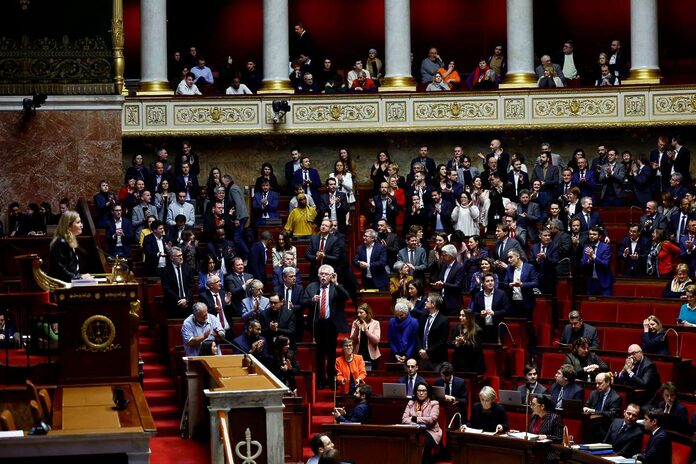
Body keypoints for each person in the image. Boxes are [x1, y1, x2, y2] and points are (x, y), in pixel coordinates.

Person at [302, 265, 350, 390]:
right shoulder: (312, 287)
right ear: (318, 275)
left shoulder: (336, 287)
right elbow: (303, 302)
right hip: (317, 324)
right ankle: (320, 381)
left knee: (331, 354)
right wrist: (311, 300)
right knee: (319, 355)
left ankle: (331, 380)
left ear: (331, 276)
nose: (323, 276)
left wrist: (337, 283)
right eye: (321, 274)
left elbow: (346, 297)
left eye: (326, 274)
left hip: (331, 324)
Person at [401, 381, 442, 464]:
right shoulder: (411, 403)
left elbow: (432, 419)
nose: (421, 393)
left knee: (422, 442)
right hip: (414, 431)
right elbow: (404, 419)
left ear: (428, 392)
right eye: (419, 391)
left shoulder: (434, 403)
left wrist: (415, 419)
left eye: (424, 391)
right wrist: (418, 422)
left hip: (431, 432)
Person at [48, 211, 93, 282]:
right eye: (78, 222)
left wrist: (80, 276)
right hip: (61, 286)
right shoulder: (61, 242)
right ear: (68, 226)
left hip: (68, 282)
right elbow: (60, 270)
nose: (81, 225)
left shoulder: (69, 240)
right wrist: (79, 277)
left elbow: (72, 269)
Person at [583, 372, 622, 440]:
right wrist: (584, 408)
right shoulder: (594, 393)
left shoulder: (615, 398)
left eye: (600, 383)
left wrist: (594, 411)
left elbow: (612, 414)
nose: (597, 386)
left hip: (605, 428)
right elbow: (587, 405)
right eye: (596, 383)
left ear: (608, 382)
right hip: (591, 425)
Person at [417, 293, 449, 371]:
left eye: (427, 301)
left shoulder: (444, 320)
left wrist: (427, 352)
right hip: (422, 358)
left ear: (433, 304)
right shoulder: (423, 317)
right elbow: (418, 336)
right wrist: (421, 350)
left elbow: (441, 341)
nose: (425, 302)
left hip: (437, 359)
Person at [527, 395, 564, 462]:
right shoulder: (534, 416)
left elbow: (560, 438)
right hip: (533, 451)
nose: (531, 407)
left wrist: (546, 436)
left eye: (533, 404)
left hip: (548, 453)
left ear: (542, 406)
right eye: (531, 404)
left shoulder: (554, 418)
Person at [450, 309, 485, 374]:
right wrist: (456, 343)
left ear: (469, 317)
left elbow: (477, 348)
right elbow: (450, 343)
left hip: (472, 363)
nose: (460, 317)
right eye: (460, 315)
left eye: (463, 316)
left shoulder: (478, 330)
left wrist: (464, 342)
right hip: (458, 363)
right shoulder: (457, 328)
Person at [350, 303, 380, 369]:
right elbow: (352, 341)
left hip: (371, 355)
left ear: (367, 313)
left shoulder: (375, 323)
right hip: (358, 353)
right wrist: (357, 330)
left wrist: (367, 332)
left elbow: (376, 341)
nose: (358, 315)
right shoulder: (355, 323)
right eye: (358, 313)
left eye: (361, 312)